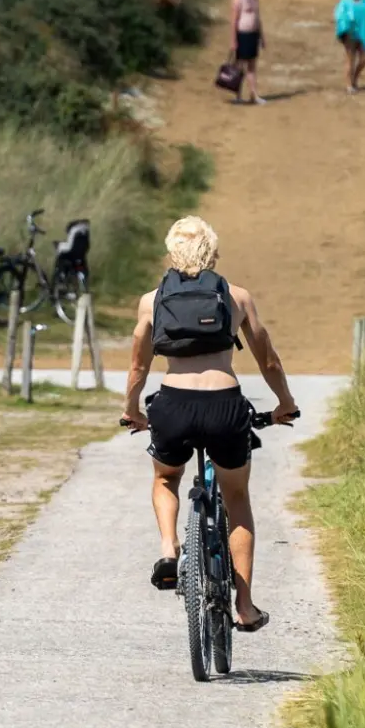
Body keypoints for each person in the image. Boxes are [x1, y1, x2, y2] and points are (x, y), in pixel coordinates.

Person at [124, 216, 298, 633]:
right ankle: (245, 606)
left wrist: (133, 409)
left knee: (167, 478)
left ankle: (169, 550)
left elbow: (137, 365)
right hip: (224, 405)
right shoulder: (237, 297)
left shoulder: (152, 300)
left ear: (171, 254)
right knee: (236, 498)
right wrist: (285, 404)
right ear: (213, 254)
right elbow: (268, 360)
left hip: (173, 404)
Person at [229, 0, 265, 105]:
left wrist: (262, 37)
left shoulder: (255, 0)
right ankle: (237, 95)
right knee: (239, 66)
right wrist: (233, 40)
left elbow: (258, 20)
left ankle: (253, 95)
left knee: (252, 66)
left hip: (253, 35)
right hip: (242, 35)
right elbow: (234, 20)